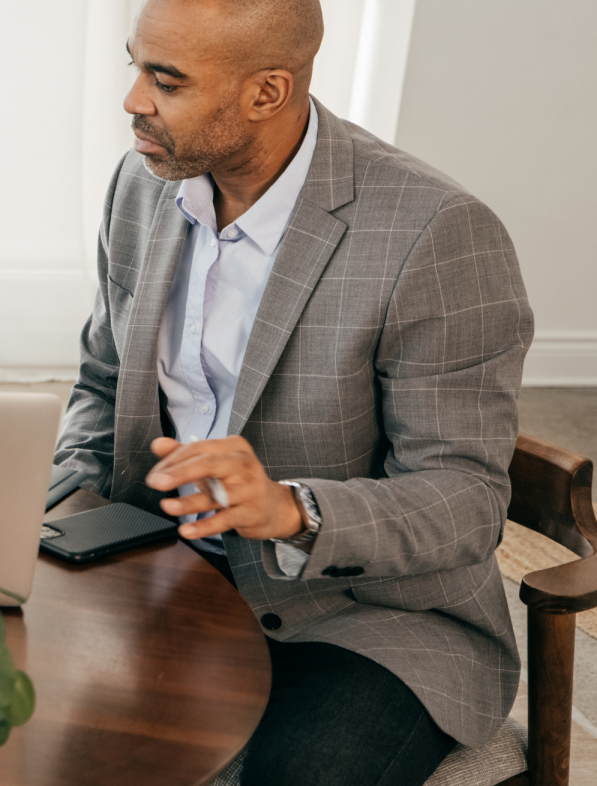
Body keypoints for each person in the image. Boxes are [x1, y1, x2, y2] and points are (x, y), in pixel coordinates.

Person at [54, 0, 532, 783]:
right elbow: (103, 384)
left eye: (165, 81)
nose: (134, 100)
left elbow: (466, 500)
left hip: (364, 618)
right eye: (135, 66)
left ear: (267, 93)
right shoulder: (142, 185)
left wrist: (292, 510)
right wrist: (67, 504)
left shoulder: (436, 233)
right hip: (165, 574)